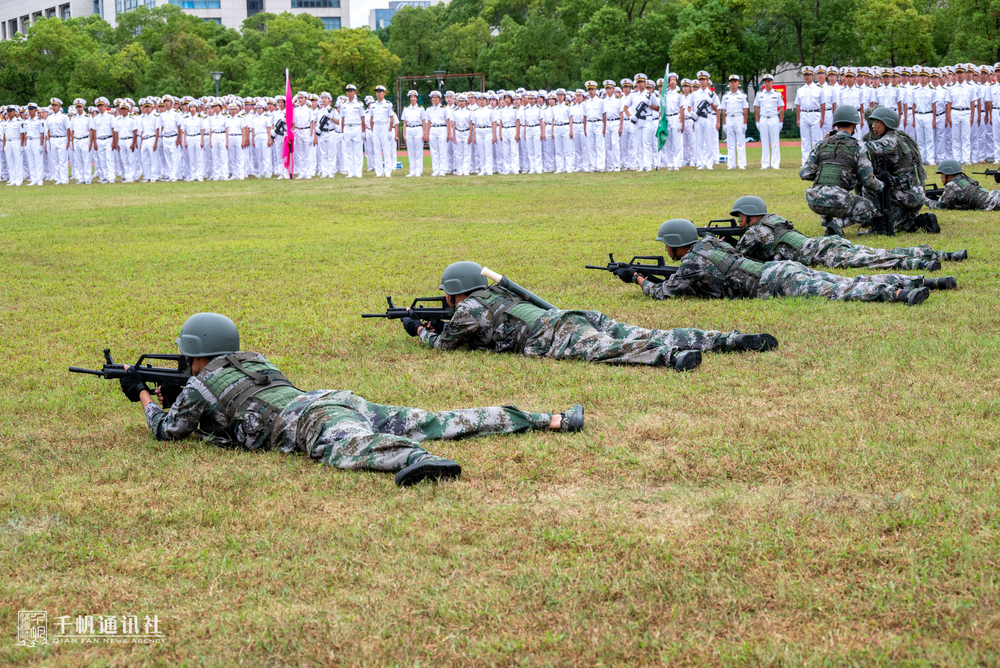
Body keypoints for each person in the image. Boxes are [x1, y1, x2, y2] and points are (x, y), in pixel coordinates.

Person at [118, 313, 584, 487]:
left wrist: (143, 396)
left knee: (354, 449)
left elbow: (169, 430)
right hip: (333, 400)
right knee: (434, 417)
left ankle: (421, 461)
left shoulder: (200, 386)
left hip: (309, 423)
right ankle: (551, 419)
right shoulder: (252, 358)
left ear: (194, 354)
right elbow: (241, 396)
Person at [402, 262, 781, 373]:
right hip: (571, 314)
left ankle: (670, 357)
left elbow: (445, 346)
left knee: (615, 350)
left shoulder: (467, 310)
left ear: (454, 290)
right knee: (651, 329)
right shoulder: (497, 291)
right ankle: (729, 339)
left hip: (558, 333)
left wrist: (419, 329)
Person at [619, 219, 934, 306]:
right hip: (780, 269)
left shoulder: (690, 265)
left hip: (774, 283)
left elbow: (663, 293)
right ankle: (916, 281)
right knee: (840, 281)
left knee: (838, 292)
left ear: (675, 245)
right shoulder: (708, 243)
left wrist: (637, 278)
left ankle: (896, 294)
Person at [729, 196, 965, 275]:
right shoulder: (774, 220)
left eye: (740, 216)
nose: (739, 222)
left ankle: (920, 263)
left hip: (820, 253)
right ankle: (942, 253)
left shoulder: (756, 232)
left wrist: (723, 245)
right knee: (876, 252)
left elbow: (738, 259)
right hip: (823, 243)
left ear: (751, 216)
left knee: (873, 259)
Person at [800, 105, 883, 236]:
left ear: (836, 124)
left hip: (814, 200)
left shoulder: (822, 144)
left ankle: (827, 222)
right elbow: (868, 181)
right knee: (869, 209)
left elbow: (804, 173)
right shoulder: (858, 146)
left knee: (828, 190)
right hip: (838, 200)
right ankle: (836, 224)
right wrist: (882, 185)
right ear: (854, 124)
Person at [863, 106, 938, 233]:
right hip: (915, 194)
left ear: (887, 123)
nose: (873, 126)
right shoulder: (901, 138)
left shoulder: (890, 140)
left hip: (906, 195)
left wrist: (845, 141)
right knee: (903, 226)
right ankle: (921, 220)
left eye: (877, 122)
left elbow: (868, 148)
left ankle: (878, 225)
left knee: (868, 188)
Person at [925, 159, 1000, 210]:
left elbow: (940, 206)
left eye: (942, 174)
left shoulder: (952, 185)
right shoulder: (967, 179)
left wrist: (925, 200)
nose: (941, 177)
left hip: (993, 203)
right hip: (994, 195)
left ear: (950, 175)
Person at [794, 67, 825, 166]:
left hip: (815, 114)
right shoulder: (800, 90)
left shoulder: (818, 89)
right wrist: (798, 118)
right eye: (805, 75)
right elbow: (798, 105)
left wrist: (822, 118)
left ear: (813, 76)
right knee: (805, 140)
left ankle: (817, 161)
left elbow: (822, 104)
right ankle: (806, 162)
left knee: (816, 139)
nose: (806, 77)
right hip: (804, 114)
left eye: (808, 75)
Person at [754, 74, 784, 169]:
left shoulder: (777, 94)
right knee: (764, 142)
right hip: (763, 118)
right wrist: (757, 121)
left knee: (775, 142)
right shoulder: (759, 94)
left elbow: (781, 108)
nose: (767, 83)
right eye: (765, 81)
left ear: (772, 82)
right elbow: (756, 108)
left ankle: (775, 164)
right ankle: (765, 163)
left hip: (774, 118)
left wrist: (781, 122)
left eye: (768, 81)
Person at [719, 75, 747, 170]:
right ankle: (731, 164)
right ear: (729, 84)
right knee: (730, 143)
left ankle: (741, 164)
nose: (733, 83)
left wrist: (745, 123)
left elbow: (745, 110)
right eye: (731, 82)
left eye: (735, 81)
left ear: (738, 83)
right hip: (729, 118)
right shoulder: (726, 96)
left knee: (740, 142)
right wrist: (724, 124)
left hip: (739, 117)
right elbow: (723, 110)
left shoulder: (742, 95)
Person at [340, 85, 365, 179]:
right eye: (347, 91)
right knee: (349, 152)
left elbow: (363, 119)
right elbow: (342, 119)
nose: (349, 93)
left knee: (358, 151)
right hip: (347, 127)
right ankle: (351, 172)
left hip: (357, 127)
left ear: (355, 92)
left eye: (351, 91)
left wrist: (363, 132)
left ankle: (358, 172)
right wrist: (342, 132)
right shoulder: (343, 105)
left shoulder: (359, 104)